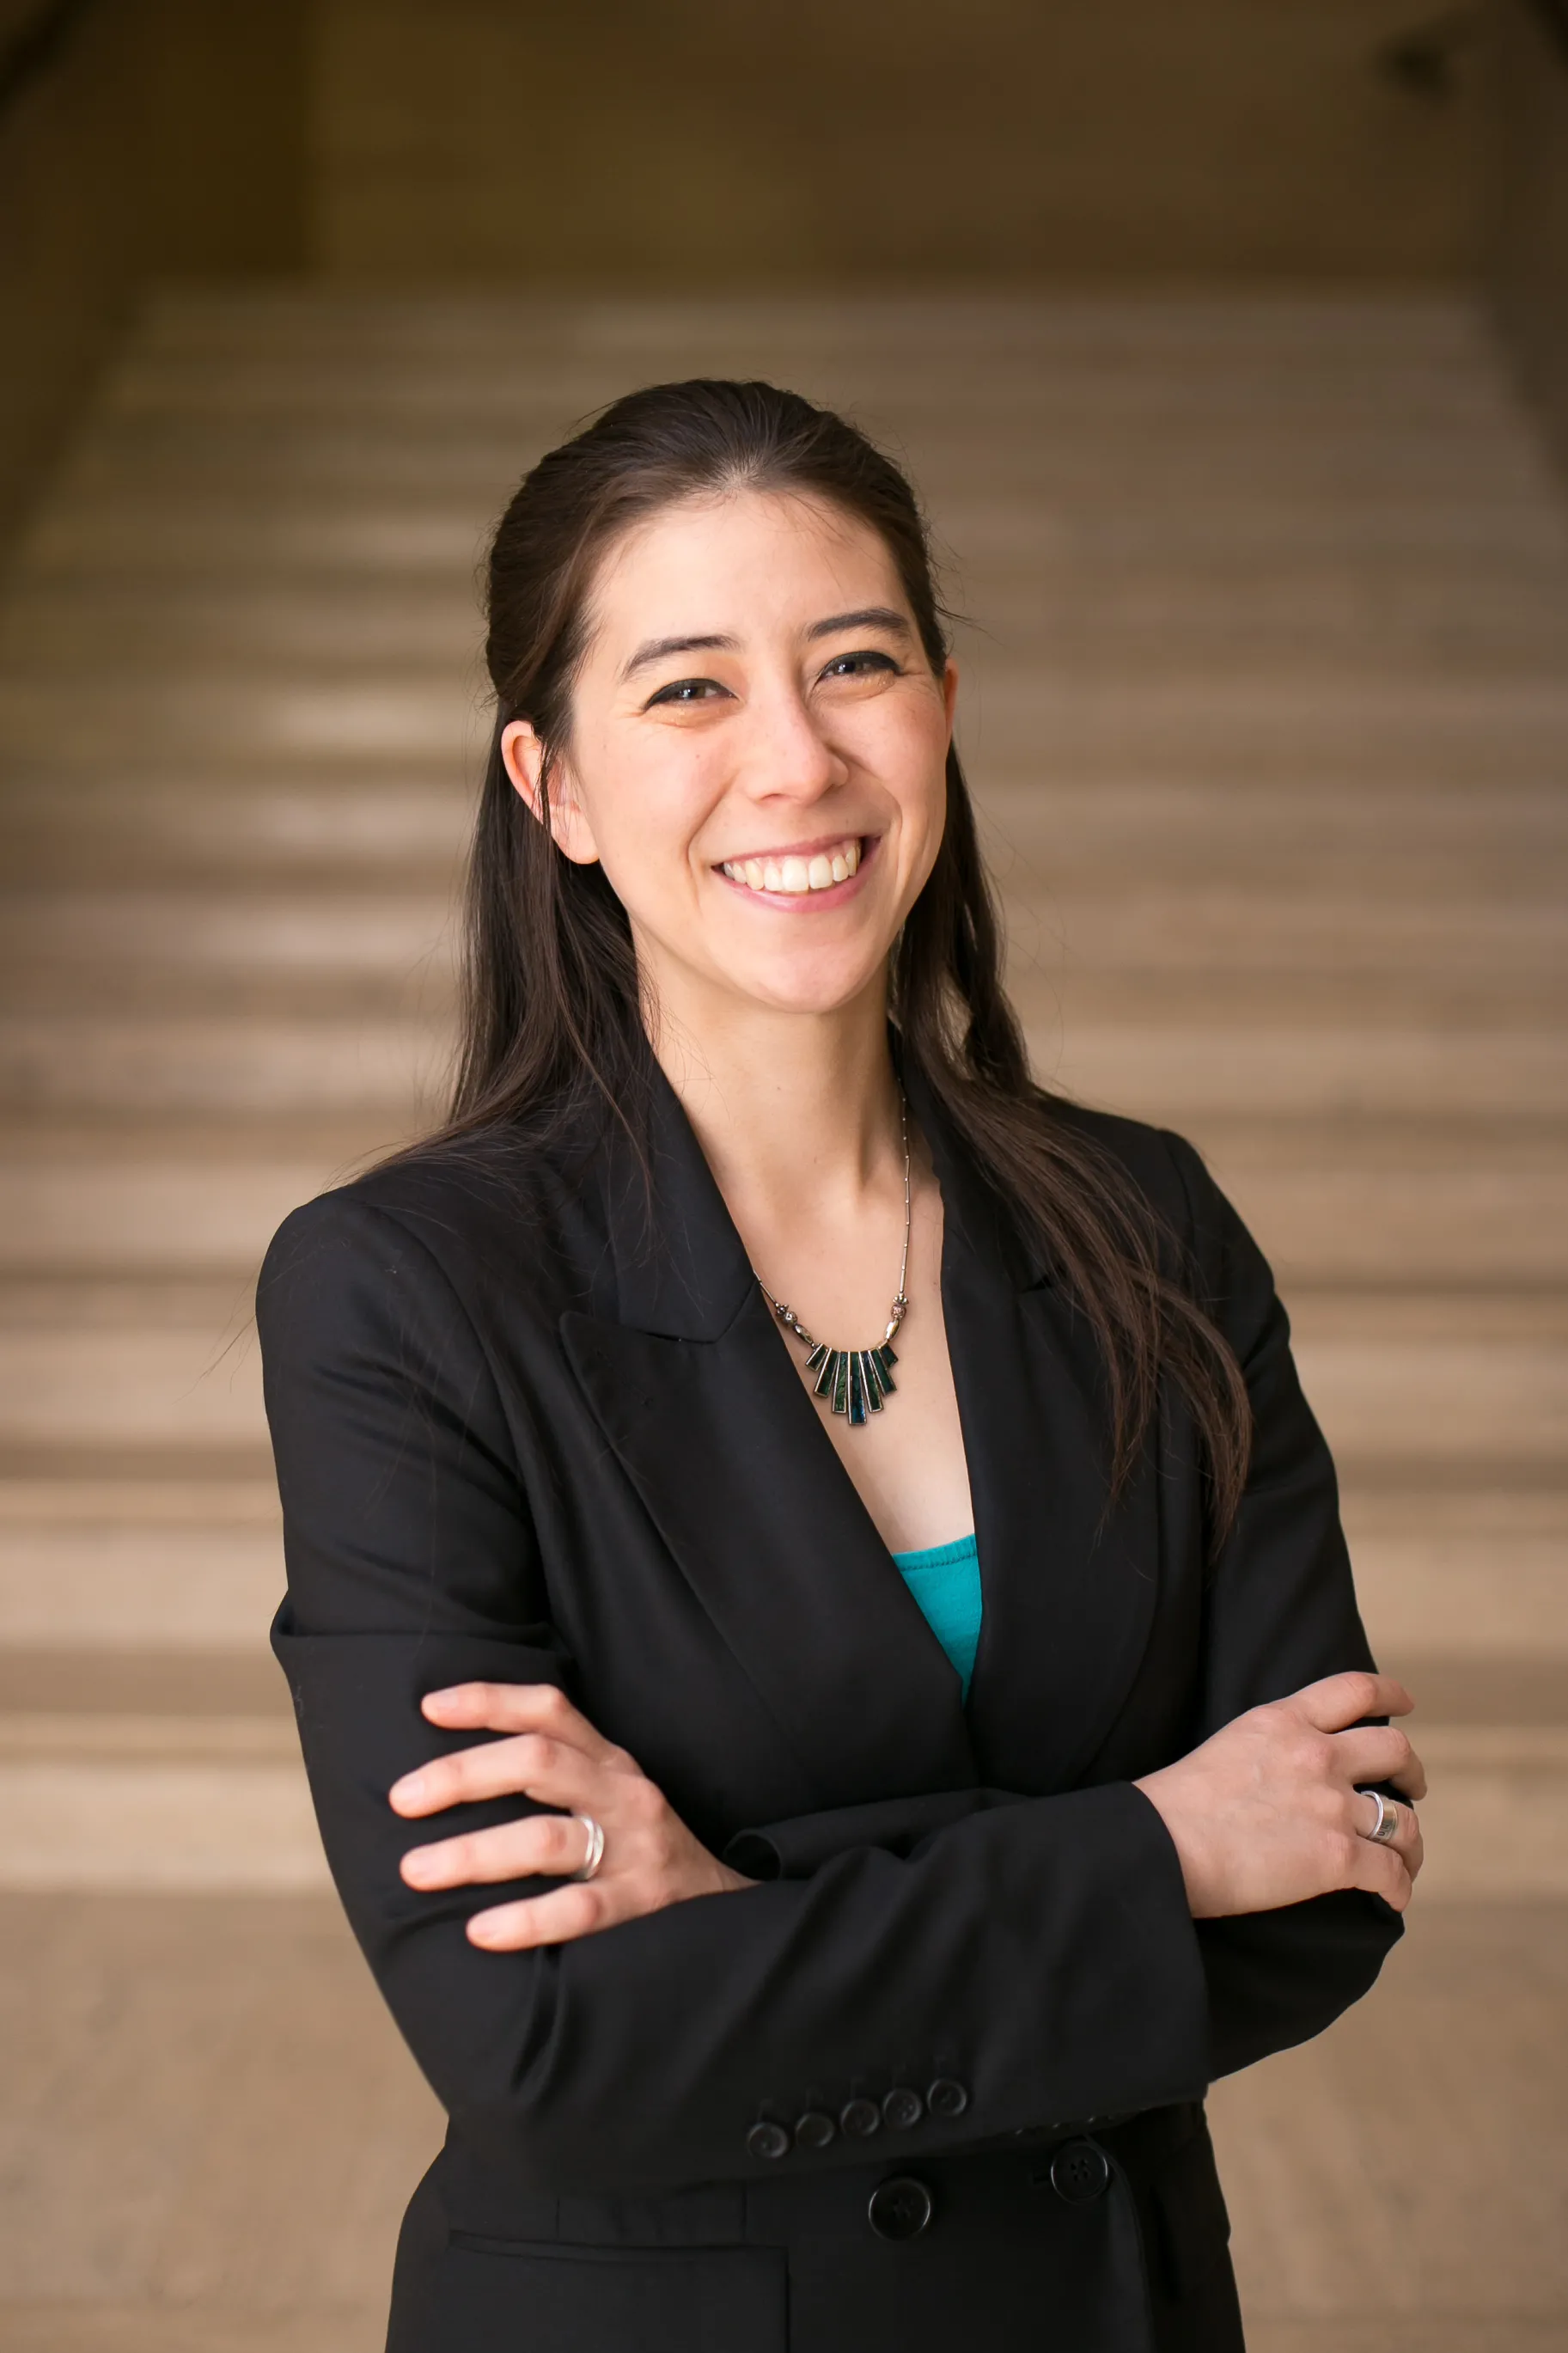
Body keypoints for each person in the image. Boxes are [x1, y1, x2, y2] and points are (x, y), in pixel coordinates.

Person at [257, 379, 1425, 2353]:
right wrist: (1156, 1850)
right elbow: (535, 2036)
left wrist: (734, 1909)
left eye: (855, 664)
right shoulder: (405, 1292)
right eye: (691, 689)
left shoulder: (1149, 1226)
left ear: (943, 710)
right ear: (553, 787)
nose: (797, 760)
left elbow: (1330, 1874)